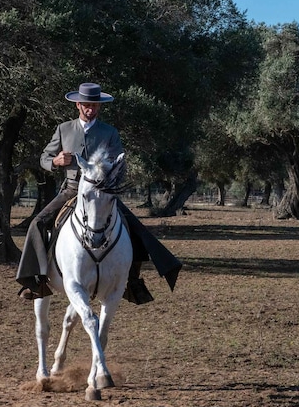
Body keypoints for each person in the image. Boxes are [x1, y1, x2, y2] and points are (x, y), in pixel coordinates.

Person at [15, 82, 182, 303]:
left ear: (99, 106)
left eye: (94, 105)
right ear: (78, 104)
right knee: (37, 222)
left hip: (103, 191)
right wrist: (55, 161)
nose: (90, 109)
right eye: (86, 105)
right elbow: (44, 158)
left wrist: (109, 170)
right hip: (71, 190)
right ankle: (36, 281)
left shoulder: (110, 133)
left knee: (136, 228)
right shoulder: (64, 129)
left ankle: (132, 281)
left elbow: (120, 164)